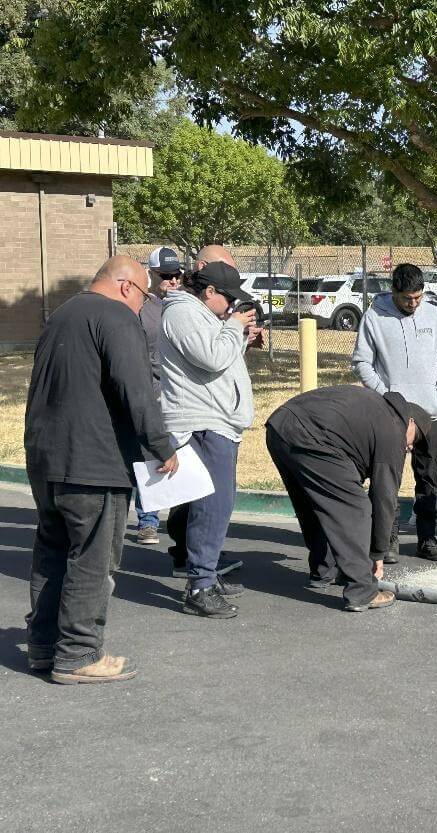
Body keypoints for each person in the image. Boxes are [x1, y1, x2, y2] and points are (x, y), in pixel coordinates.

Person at [25, 256, 178, 684]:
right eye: (145, 296)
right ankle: (78, 654)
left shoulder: (61, 315)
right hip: (94, 462)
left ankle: (43, 645)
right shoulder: (115, 317)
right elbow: (137, 387)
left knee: (53, 552)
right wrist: (161, 445)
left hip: (46, 458)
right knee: (93, 558)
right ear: (127, 287)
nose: (143, 306)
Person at [266, 386, 431, 611]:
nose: (410, 447)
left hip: (279, 427)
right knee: (357, 508)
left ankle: (324, 570)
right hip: (311, 435)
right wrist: (377, 554)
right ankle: (362, 591)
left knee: (315, 502)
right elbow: (384, 499)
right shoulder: (393, 428)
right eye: (416, 438)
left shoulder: (374, 407)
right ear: (409, 422)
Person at [160, 252, 261, 618]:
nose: (233, 304)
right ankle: (199, 585)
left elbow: (218, 356)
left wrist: (241, 337)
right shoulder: (182, 312)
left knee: (215, 505)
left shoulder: (201, 313)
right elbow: (212, 357)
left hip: (218, 420)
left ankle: (206, 573)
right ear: (209, 291)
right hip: (202, 421)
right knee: (212, 505)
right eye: (228, 297)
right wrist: (234, 327)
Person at [352, 263, 437, 562]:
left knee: (428, 480)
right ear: (393, 292)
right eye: (407, 299)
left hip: (430, 413)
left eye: (418, 297)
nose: (413, 304)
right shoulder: (374, 316)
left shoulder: (435, 314)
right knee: (387, 479)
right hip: (391, 415)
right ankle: (388, 539)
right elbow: (362, 362)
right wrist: (386, 398)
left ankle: (427, 538)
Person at [132, 246, 183, 546]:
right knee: (149, 456)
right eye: (166, 275)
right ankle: (148, 520)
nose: (173, 280)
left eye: (176, 274)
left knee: (179, 459)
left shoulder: (185, 305)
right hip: (150, 392)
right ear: (151, 274)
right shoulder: (142, 308)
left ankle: (180, 527)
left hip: (180, 397)